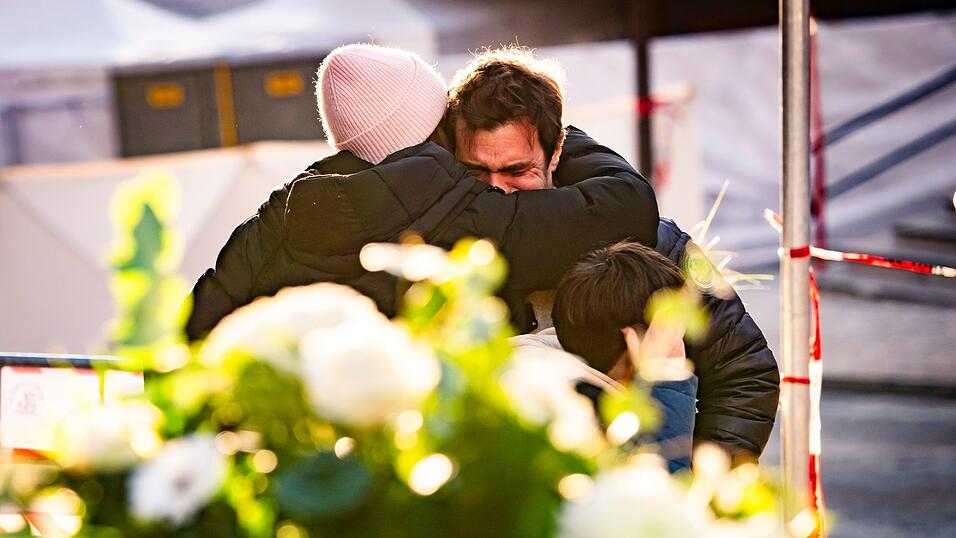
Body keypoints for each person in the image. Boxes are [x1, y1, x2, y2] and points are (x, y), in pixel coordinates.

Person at [185, 43, 659, 340]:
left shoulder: (288, 204)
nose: (497, 186)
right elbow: (626, 207)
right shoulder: (449, 206)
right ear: (435, 134)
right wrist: (557, 135)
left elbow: (203, 312)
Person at [446, 46, 779, 462]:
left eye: (517, 171)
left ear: (555, 153)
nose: (497, 191)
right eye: (476, 172)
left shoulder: (655, 241)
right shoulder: (446, 252)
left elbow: (745, 372)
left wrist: (695, 487)